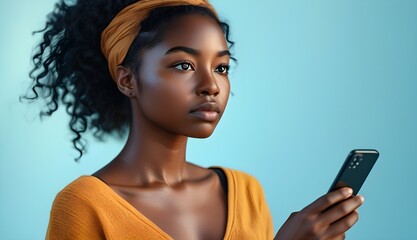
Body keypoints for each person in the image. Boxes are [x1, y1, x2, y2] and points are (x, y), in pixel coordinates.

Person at [21, 0, 364, 239]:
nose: (211, 86)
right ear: (128, 80)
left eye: (221, 67)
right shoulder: (85, 205)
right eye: (184, 65)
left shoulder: (246, 194)